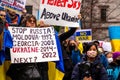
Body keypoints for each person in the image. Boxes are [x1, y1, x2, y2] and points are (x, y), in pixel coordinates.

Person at [7, 14, 48, 80]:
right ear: (25, 22)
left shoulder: (40, 35)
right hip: (20, 70)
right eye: (30, 21)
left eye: (33, 21)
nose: (32, 22)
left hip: (36, 69)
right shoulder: (18, 33)